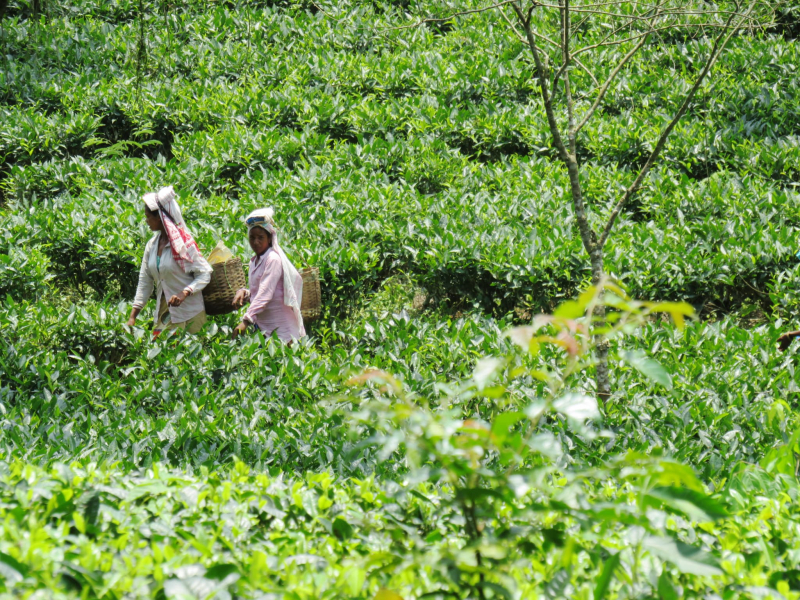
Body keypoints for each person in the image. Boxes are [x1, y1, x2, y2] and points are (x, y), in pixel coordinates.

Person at [126, 186, 212, 337]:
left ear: (160, 217)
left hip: (191, 314)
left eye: (148, 216)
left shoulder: (184, 244)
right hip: (165, 312)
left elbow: (204, 274)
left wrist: (185, 292)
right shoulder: (151, 246)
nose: (146, 221)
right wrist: (133, 315)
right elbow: (145, 281)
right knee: (164, 355)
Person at [231, 208, 305, 343]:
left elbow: (265, 293)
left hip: (283, 331)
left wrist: (246, 321)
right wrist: (244, 293)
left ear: (270, 238)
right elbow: (257, 292)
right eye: (252, 238)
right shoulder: (254, 262)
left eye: (261, 237)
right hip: (264, 329)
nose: (256, 242)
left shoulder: (273, 259)